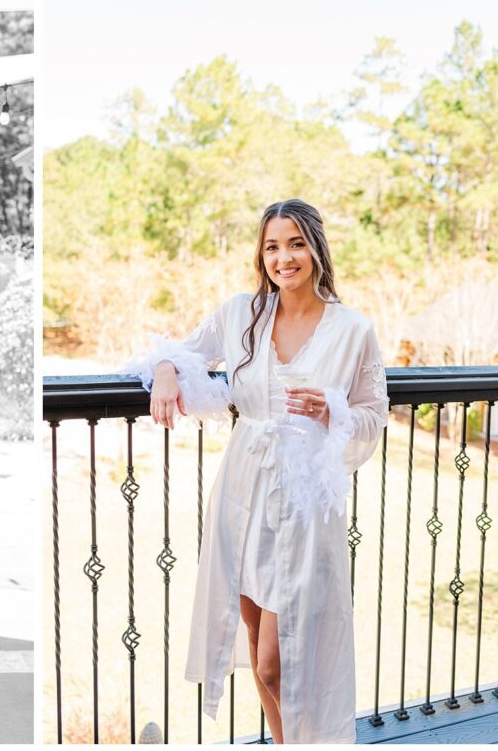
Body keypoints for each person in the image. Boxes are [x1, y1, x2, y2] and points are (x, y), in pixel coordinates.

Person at [126, 199, 388, 743]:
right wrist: (168, 372)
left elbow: (373, 413)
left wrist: (331, 410)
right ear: (261, 254)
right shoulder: (241, 314)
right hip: (242, 485)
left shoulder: (353, 329)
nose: (283, 257)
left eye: (295, 244)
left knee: (276, 656)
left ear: (316, 249)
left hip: (302, 497)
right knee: (250, 628)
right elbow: (177, 350)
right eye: (272, 246)